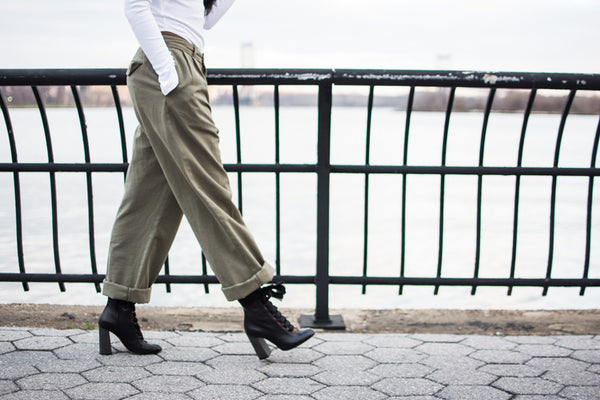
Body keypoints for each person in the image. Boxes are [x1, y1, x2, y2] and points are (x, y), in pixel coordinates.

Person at [98, 0, 313, 360]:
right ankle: (256, 301)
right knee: (209, 187)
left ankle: (119, 304)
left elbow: (205, 20)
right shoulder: (167, 66)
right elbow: (135, 5)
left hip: (182, 64)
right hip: (169, 65)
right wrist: (168, 71)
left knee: (150, 194)